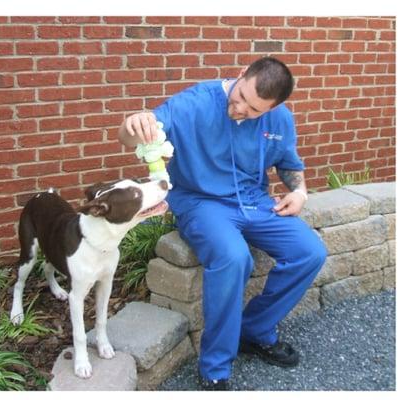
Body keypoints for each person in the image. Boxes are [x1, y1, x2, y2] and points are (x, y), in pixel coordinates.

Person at [118, 56, 327, 390]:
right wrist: (133, 125)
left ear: (271, 108)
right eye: (242, 96)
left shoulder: (280, 119)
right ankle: (215, 364)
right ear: (242, 74)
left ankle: (255, 330)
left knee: (310, 252)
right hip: (201, 202)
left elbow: (289, 163)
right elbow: (135, 136)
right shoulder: (195, 102)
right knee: (233, 257)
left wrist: (300, 192)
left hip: (254, 202)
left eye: (255, 109)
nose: (242, 108)